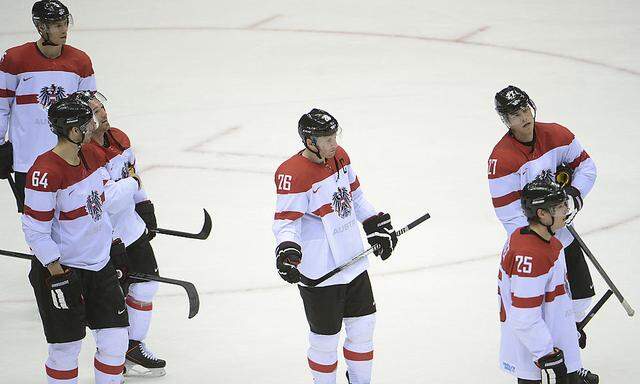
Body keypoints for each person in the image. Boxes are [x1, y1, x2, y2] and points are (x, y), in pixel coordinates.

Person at [272, 108, 397, 384]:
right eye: (327, 139)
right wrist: (287, 251)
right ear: (310, 142)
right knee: (324, 341)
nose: (334, 143)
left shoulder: (340, 156)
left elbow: (356, 197)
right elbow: (285, 223)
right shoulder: (292, 173)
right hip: (321, 271)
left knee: (364, 328)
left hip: (353, 261)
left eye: (334, 136)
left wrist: (375, 224)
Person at [488, 86, 599, 382]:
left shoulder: (557, 134)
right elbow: (508, 214)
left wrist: (572, 198)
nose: (524, 117)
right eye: (515, 114)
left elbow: (586, 167)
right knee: (539, 309)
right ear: (505, 120)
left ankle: (569, 353)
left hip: (558, 230)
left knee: (579, 297)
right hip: (536, 242)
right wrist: (540, 239)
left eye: (526, 109)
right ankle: (548, 360)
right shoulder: (502, 159)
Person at [22, 96, 134, 383]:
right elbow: (35, 230)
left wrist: (116, 240)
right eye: (87, 123)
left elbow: (103, 200)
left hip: (100, 267)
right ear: (73, 131)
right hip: (64, 272)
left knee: (115, 343)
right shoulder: (45, 172)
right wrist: (56, 272)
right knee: (65, 350)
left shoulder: (93, 156)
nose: (92, 127)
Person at [73, 90, 165, 377]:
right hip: (107, 236)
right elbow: (107, 198)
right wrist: (131, 186)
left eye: (102, 108)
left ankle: (133, 347)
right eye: (95, 111)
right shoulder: (84, 153)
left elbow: (132, 174)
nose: (103, 114)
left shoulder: (119, 138)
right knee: (115, 299)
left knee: (148, 285)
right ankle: (115, 353)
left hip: (131, 227)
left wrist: (144, 205)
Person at [0, 0, 96, 211]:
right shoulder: (14, 59)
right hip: (28, 161)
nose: (64, 30)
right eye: (57, 25)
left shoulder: (81, 61)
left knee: (74, 222)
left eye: (65, 23)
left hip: (71, 159)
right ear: (41, 27)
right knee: (37, 226)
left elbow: (89, 113)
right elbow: (1, 106)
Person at [499, 172, 587, 383]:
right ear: (542, 214)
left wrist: (570, 329)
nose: (566, 210)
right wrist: (548, 354)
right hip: (540, 361)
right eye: (559, 208)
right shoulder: (531, 255)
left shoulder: (544, 240)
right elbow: (524, 317)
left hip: (554, 346)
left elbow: (554, 298)